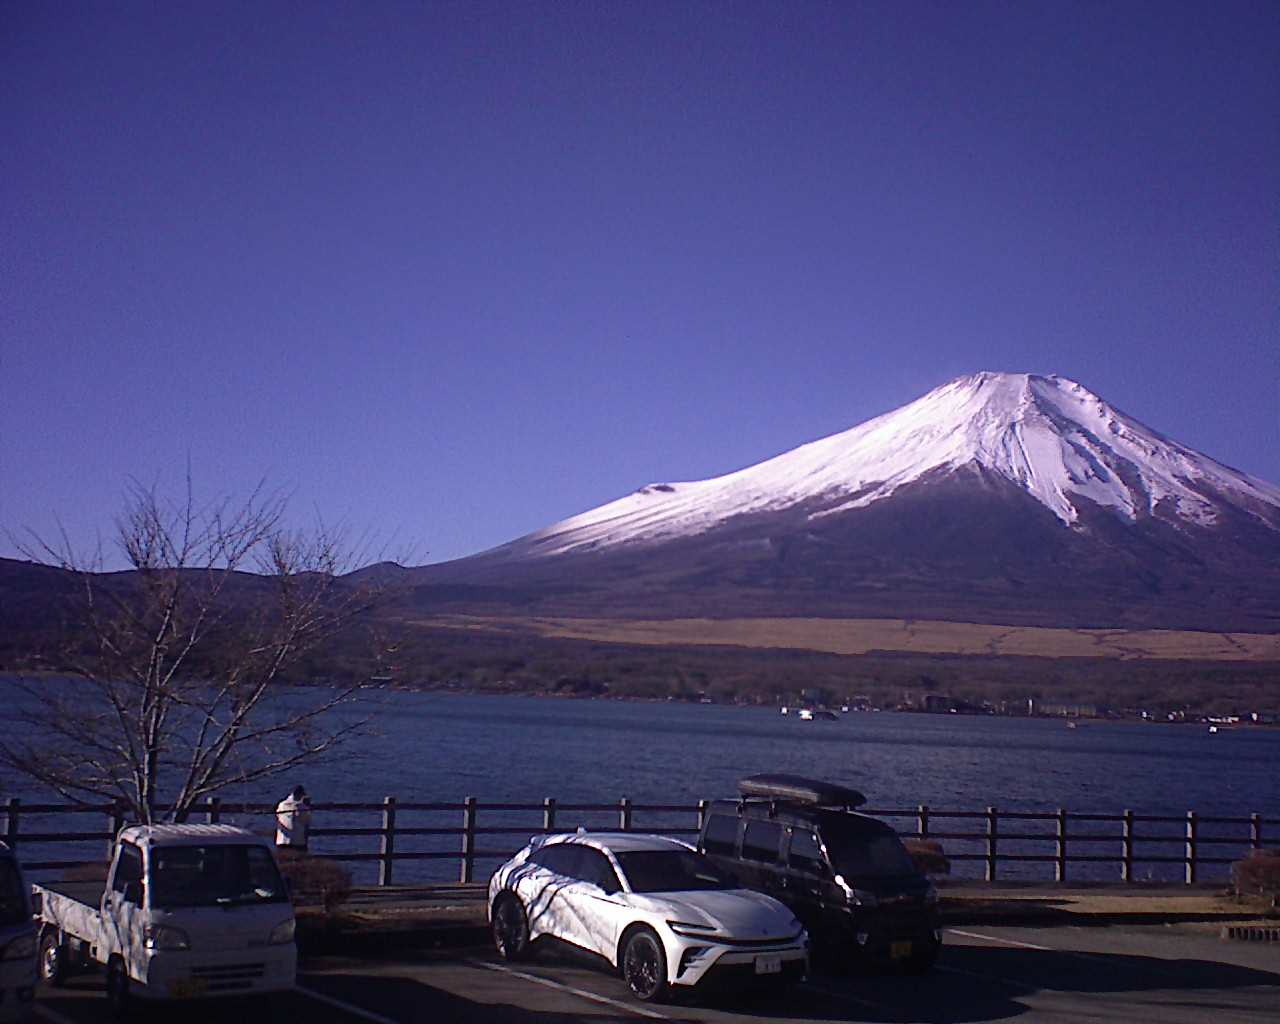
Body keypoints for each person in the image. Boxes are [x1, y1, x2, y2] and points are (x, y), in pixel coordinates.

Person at [275, 784, 312, 852]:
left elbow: (277, 815)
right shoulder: (302, 807)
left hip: (282, 840)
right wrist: (308, 807)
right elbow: (306, 821)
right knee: (299, 860)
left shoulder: (281, 805)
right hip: (297, 841)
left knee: (283, 861)